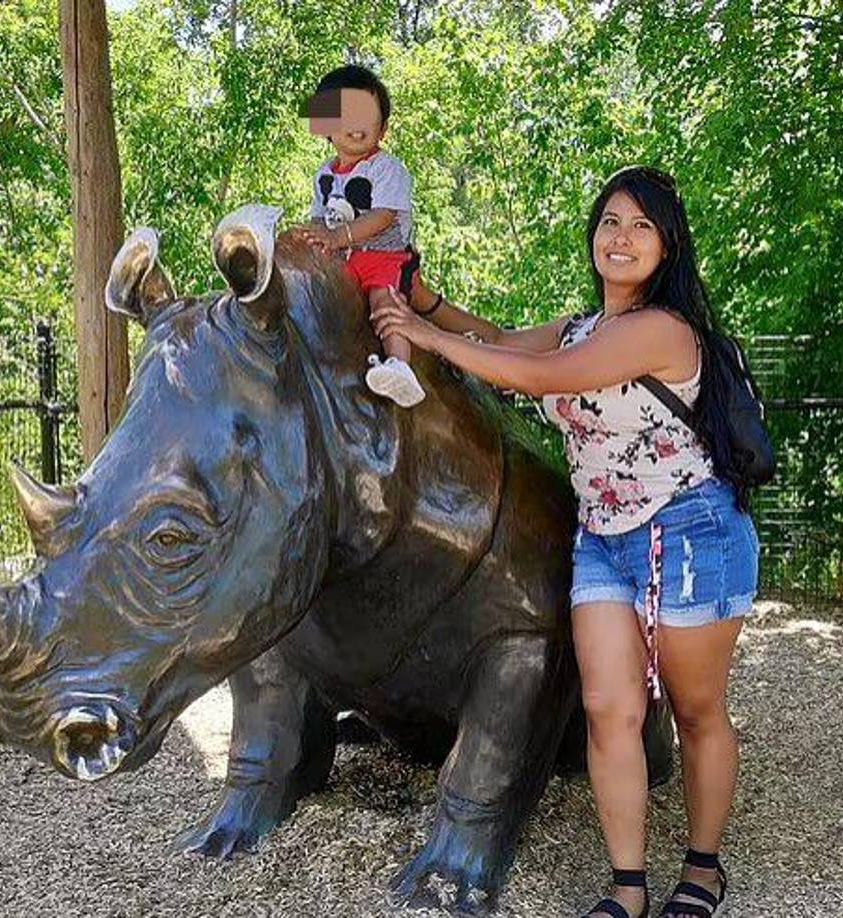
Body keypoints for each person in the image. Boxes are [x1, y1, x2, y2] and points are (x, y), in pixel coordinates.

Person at [370, 166, 758, 918]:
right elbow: (497, 341)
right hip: (604, 541)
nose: (621, 237)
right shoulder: (586, 326)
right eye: (610, 221)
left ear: (667, 246)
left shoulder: (662, 330)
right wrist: (425, 302)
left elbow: (541, 376)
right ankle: (627, 891)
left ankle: (703, 869)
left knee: (695, 710)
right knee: (609, 710)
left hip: (689, 533)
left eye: (641, 226)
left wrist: (419, 338)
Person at [293, 64, 446, 409]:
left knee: (384, 304)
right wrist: (314, 238)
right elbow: (321, 217)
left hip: (383, 257)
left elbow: (383, 216)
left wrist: (337, 236)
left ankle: (399, 365)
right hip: (345, 260)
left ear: (383, 128)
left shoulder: (388, 168)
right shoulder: (324, 174)